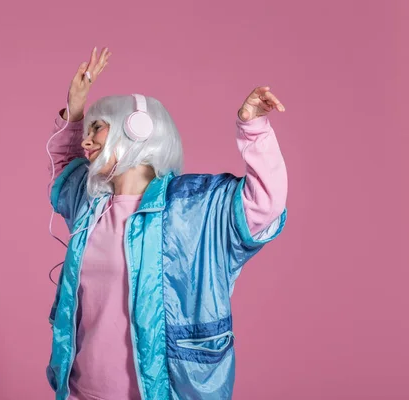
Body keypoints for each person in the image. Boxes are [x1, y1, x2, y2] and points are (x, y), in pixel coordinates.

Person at [45, 46, 288, 400]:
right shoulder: (89, 206)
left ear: (136, 129)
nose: (86, 140)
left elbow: (265, 204)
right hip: (82, 392)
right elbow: (63, 167)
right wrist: (77, 111)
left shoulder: (194, 207)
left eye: (96, 128)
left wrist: (253, 128)